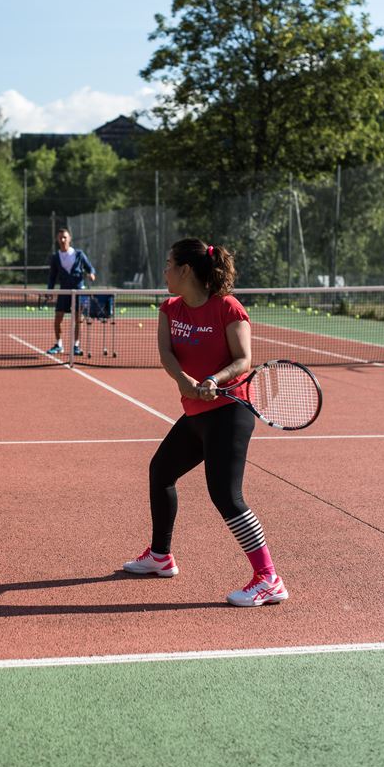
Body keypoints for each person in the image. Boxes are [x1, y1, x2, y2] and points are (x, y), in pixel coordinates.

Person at [123, 237, 288, 607]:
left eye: (168, 264)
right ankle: (161, 557)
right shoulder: (170, 308)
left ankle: (269, 578)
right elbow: (167, 353)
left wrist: (215, 380)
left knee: (226, 496)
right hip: (196, 413)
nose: (164, 270)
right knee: (161, 471)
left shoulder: (228, 308)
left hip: (230, 412)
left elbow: (244, 359)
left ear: (185, 270)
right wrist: (184, 381)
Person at [46, 227, 96, 356]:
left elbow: (90, 268)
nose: (63, 240)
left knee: (78, 319)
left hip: (79, 291)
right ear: (57, 239)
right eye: (60, 238)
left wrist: (91, 274)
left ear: (70, 239)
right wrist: (49, 292)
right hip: (64, 292)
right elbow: (52, 277)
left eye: (65, 237)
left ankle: (76, 345)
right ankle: (58, 345)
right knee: (58, 319)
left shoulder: (79, 254)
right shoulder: (55, 257)